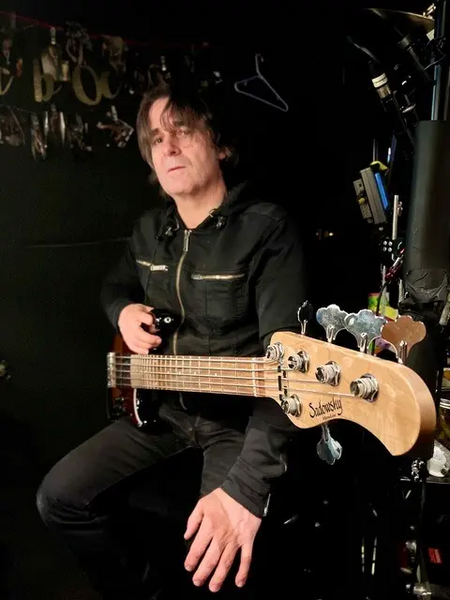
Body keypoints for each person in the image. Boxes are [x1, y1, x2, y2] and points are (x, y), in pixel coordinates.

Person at [36, 80, 307, 600]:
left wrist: (247, 487)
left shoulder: (267, 230)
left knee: (214, 568)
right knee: (59, 498)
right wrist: (123, 313)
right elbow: (113, 287)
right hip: (161, 414)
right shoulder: (148, 231)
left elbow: (291, 370)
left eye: (182, 131)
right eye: (157, 139)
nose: (169, 147)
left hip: (236, 425)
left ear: (220, 145)